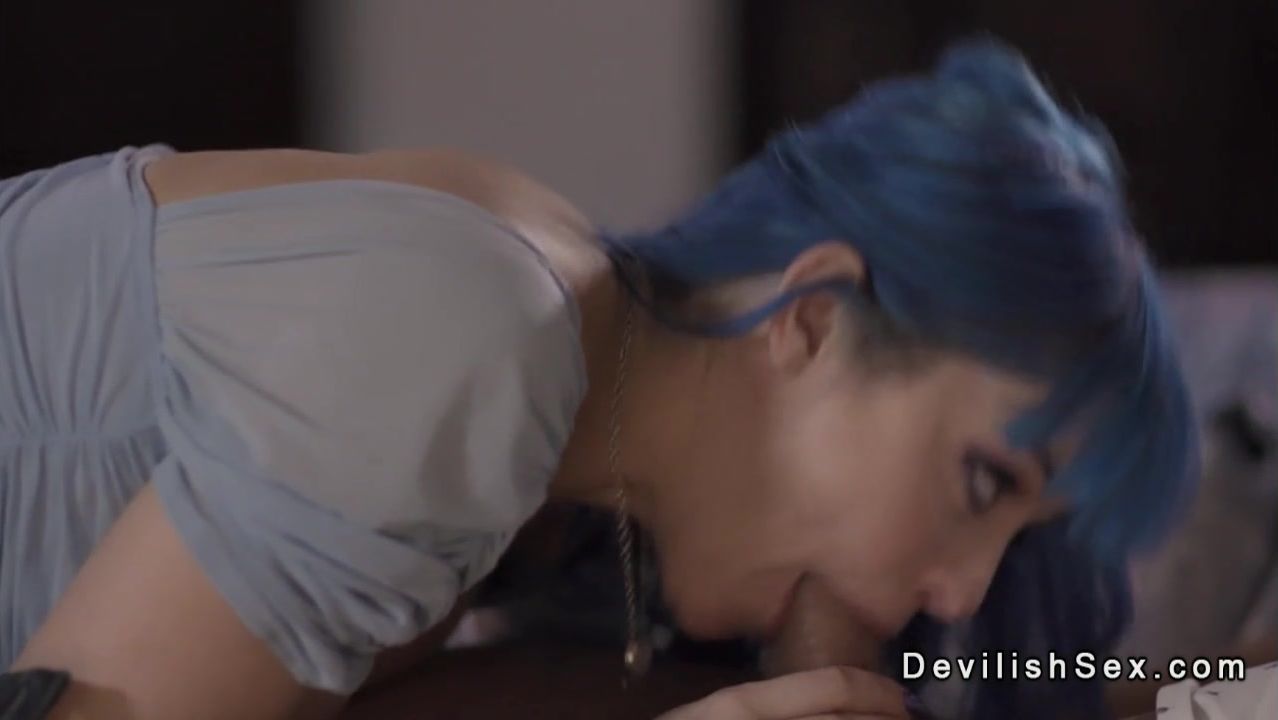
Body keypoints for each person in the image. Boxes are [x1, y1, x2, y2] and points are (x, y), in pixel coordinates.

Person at [0, 39, 1197, 719]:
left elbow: (1008, 677)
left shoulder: (556, 485)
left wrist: (1209, 684)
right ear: (814, 321)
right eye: (982, 482)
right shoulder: (477, 332)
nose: (961, 586)